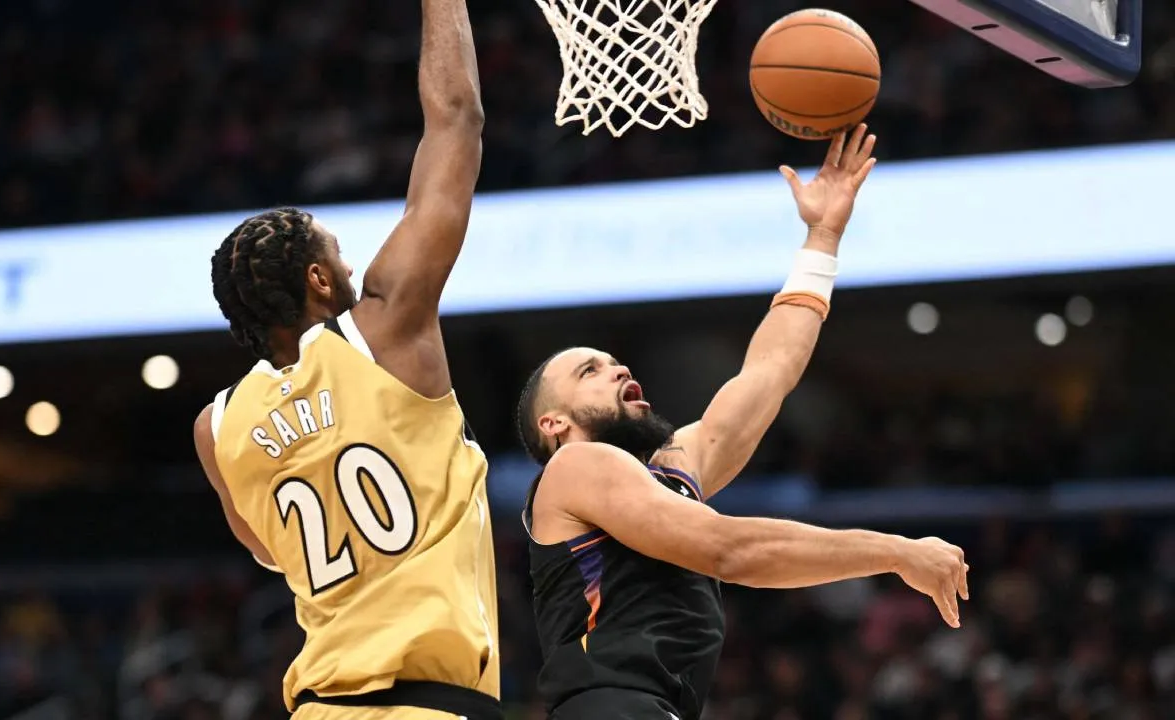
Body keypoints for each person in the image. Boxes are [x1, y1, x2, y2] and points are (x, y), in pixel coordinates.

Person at [515, 125, 969, 720]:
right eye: (589, 371)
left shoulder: (672, 470)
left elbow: (770, 370)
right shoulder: (575, 466)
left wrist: (822, 238)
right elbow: (727, 548)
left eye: (612, 359)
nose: (616, 366)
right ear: (554, 423)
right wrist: (896, 551)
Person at [191, 1, 499, 718]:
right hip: (431, 702)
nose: (354, 263)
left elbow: (273, 553)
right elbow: (456, 120)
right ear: (319, 282)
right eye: (338, 251)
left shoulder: (217, 427)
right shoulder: (384, 331)